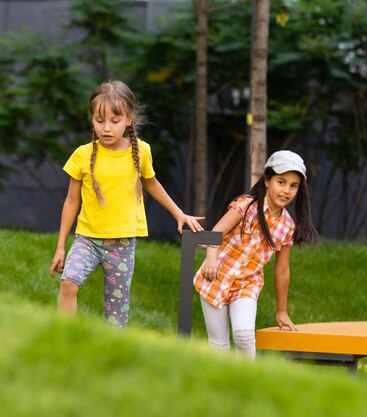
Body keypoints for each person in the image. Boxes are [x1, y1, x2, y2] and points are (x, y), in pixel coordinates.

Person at [49, 80, 204, 328]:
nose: (107, 128)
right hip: (87, 239)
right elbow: (70, 201)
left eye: (114, 120)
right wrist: (60, 247)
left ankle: (112, 359)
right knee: (68, 283)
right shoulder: (82, 154)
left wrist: (179, 213)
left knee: (116, 318)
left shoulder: (141, 151)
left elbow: (152, 183)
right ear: (92, 120)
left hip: (121, 245)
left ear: (128, 118)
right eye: (100, 121)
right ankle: (65, 340)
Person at [193, 150, 319, 358]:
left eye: (293, 186)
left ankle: (247, 384)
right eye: (281, 182)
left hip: (247, 284)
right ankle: (218, 386)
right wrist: (211, 257)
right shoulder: (245, 206)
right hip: (216, 278)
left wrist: (282, 310)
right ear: (267, 180)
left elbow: (282, 270)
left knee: (244, 335)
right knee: (219, 346)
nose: (286, 190)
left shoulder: (287, 225)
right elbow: (216, 233)